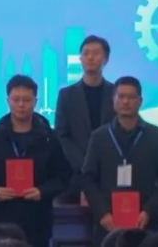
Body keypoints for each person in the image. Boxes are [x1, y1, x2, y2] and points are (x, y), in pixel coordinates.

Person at [0, 75, 72, 247]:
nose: (21, 105)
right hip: (0, 221)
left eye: (27, 100)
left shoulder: (49, 137)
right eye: (16, 99)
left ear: (35, 101)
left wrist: (42, 191)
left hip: (37, 222)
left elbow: (63, 175)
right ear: (7, 101)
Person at [81, 76, 158, 246]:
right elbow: (88, 177)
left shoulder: (157, 136)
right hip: (108, 223)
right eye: (121, 96)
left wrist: (149, 211)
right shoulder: (99, 136)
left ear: (140, 101)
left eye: (131, 97)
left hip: (145, 223)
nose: (125, 102)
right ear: (113, 100)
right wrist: (102, 213)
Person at [55, 35, 115, 202]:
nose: (90, 57)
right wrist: (84, 164)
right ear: (80, 59)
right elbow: (61, 134)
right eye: (86, 53)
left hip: (108, 172)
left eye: (95, 53)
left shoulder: (116, 94)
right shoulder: (67, 95)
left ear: (106, 59)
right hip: (75, 174)